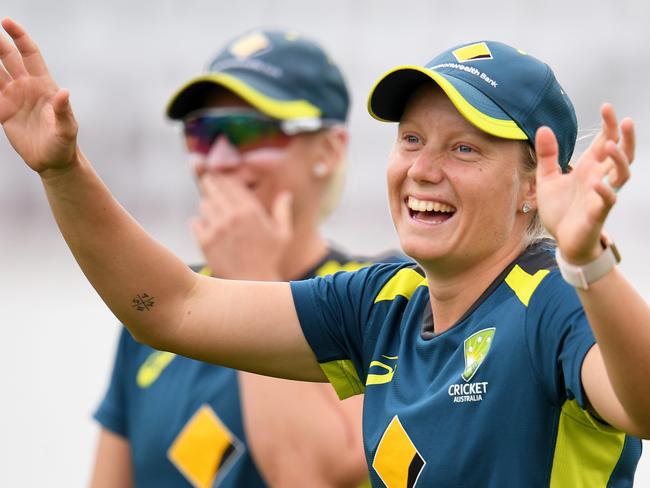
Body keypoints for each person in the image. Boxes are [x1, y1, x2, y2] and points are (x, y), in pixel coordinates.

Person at [1, 18, 648, 487]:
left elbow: (643, 407)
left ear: (535, 184)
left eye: (464, 149)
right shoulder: (383, 303)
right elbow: (169, 309)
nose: (422, 169)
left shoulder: (555, 299)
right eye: (412, 139)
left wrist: (589, 260)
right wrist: (64, 172)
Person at [86, 28, 394, 487]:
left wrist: (251, 272)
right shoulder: (159, 308)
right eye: (203, 134)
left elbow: (313, 477)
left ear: (329, 150)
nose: (221, 160)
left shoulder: (379, 298)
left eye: (250, 132)